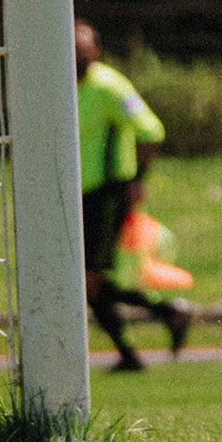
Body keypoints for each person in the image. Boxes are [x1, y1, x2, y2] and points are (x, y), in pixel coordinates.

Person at [77, 20, 187, 373]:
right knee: (87, 281)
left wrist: (137, 178)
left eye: (83, 46)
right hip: (75, 196)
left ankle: (129, 354)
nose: (77, 53)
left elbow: (151, 130)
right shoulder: (57, 88)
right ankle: (167, 313)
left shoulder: (109, 86)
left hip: (107, 194)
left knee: (88, 281)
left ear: (96, 50)